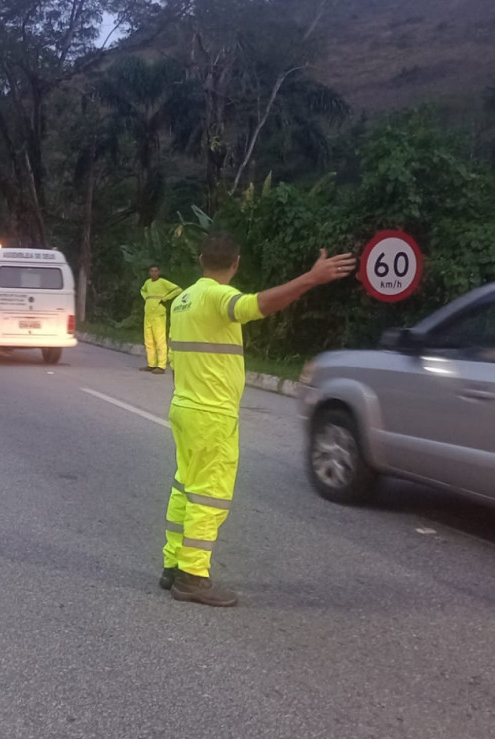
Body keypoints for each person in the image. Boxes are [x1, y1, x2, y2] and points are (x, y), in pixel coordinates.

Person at [159, 233, 356, 607]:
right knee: (209, 494)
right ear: (236, 264)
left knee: (185, 487)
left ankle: (173, 565)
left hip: (184, 406)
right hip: (211, 413)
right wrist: (311, 278)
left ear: (201, 259)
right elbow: (257, 305)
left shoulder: (182, 300)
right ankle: (192, 577)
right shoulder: (216, 297)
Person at [139, 265, 182, 374]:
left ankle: (161, 366)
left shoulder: (163, 282)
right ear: (149, 272)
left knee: (160, 339)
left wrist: (165, 299)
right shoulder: (147, 283)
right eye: (152, 271)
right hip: (148, 314)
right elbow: (142, 290)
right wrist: (146, 298)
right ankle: (151, 364)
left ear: (159, 272)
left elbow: (177, 289)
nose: (153, 273)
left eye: (155, 271)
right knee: (149, 340)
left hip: (158, 314)